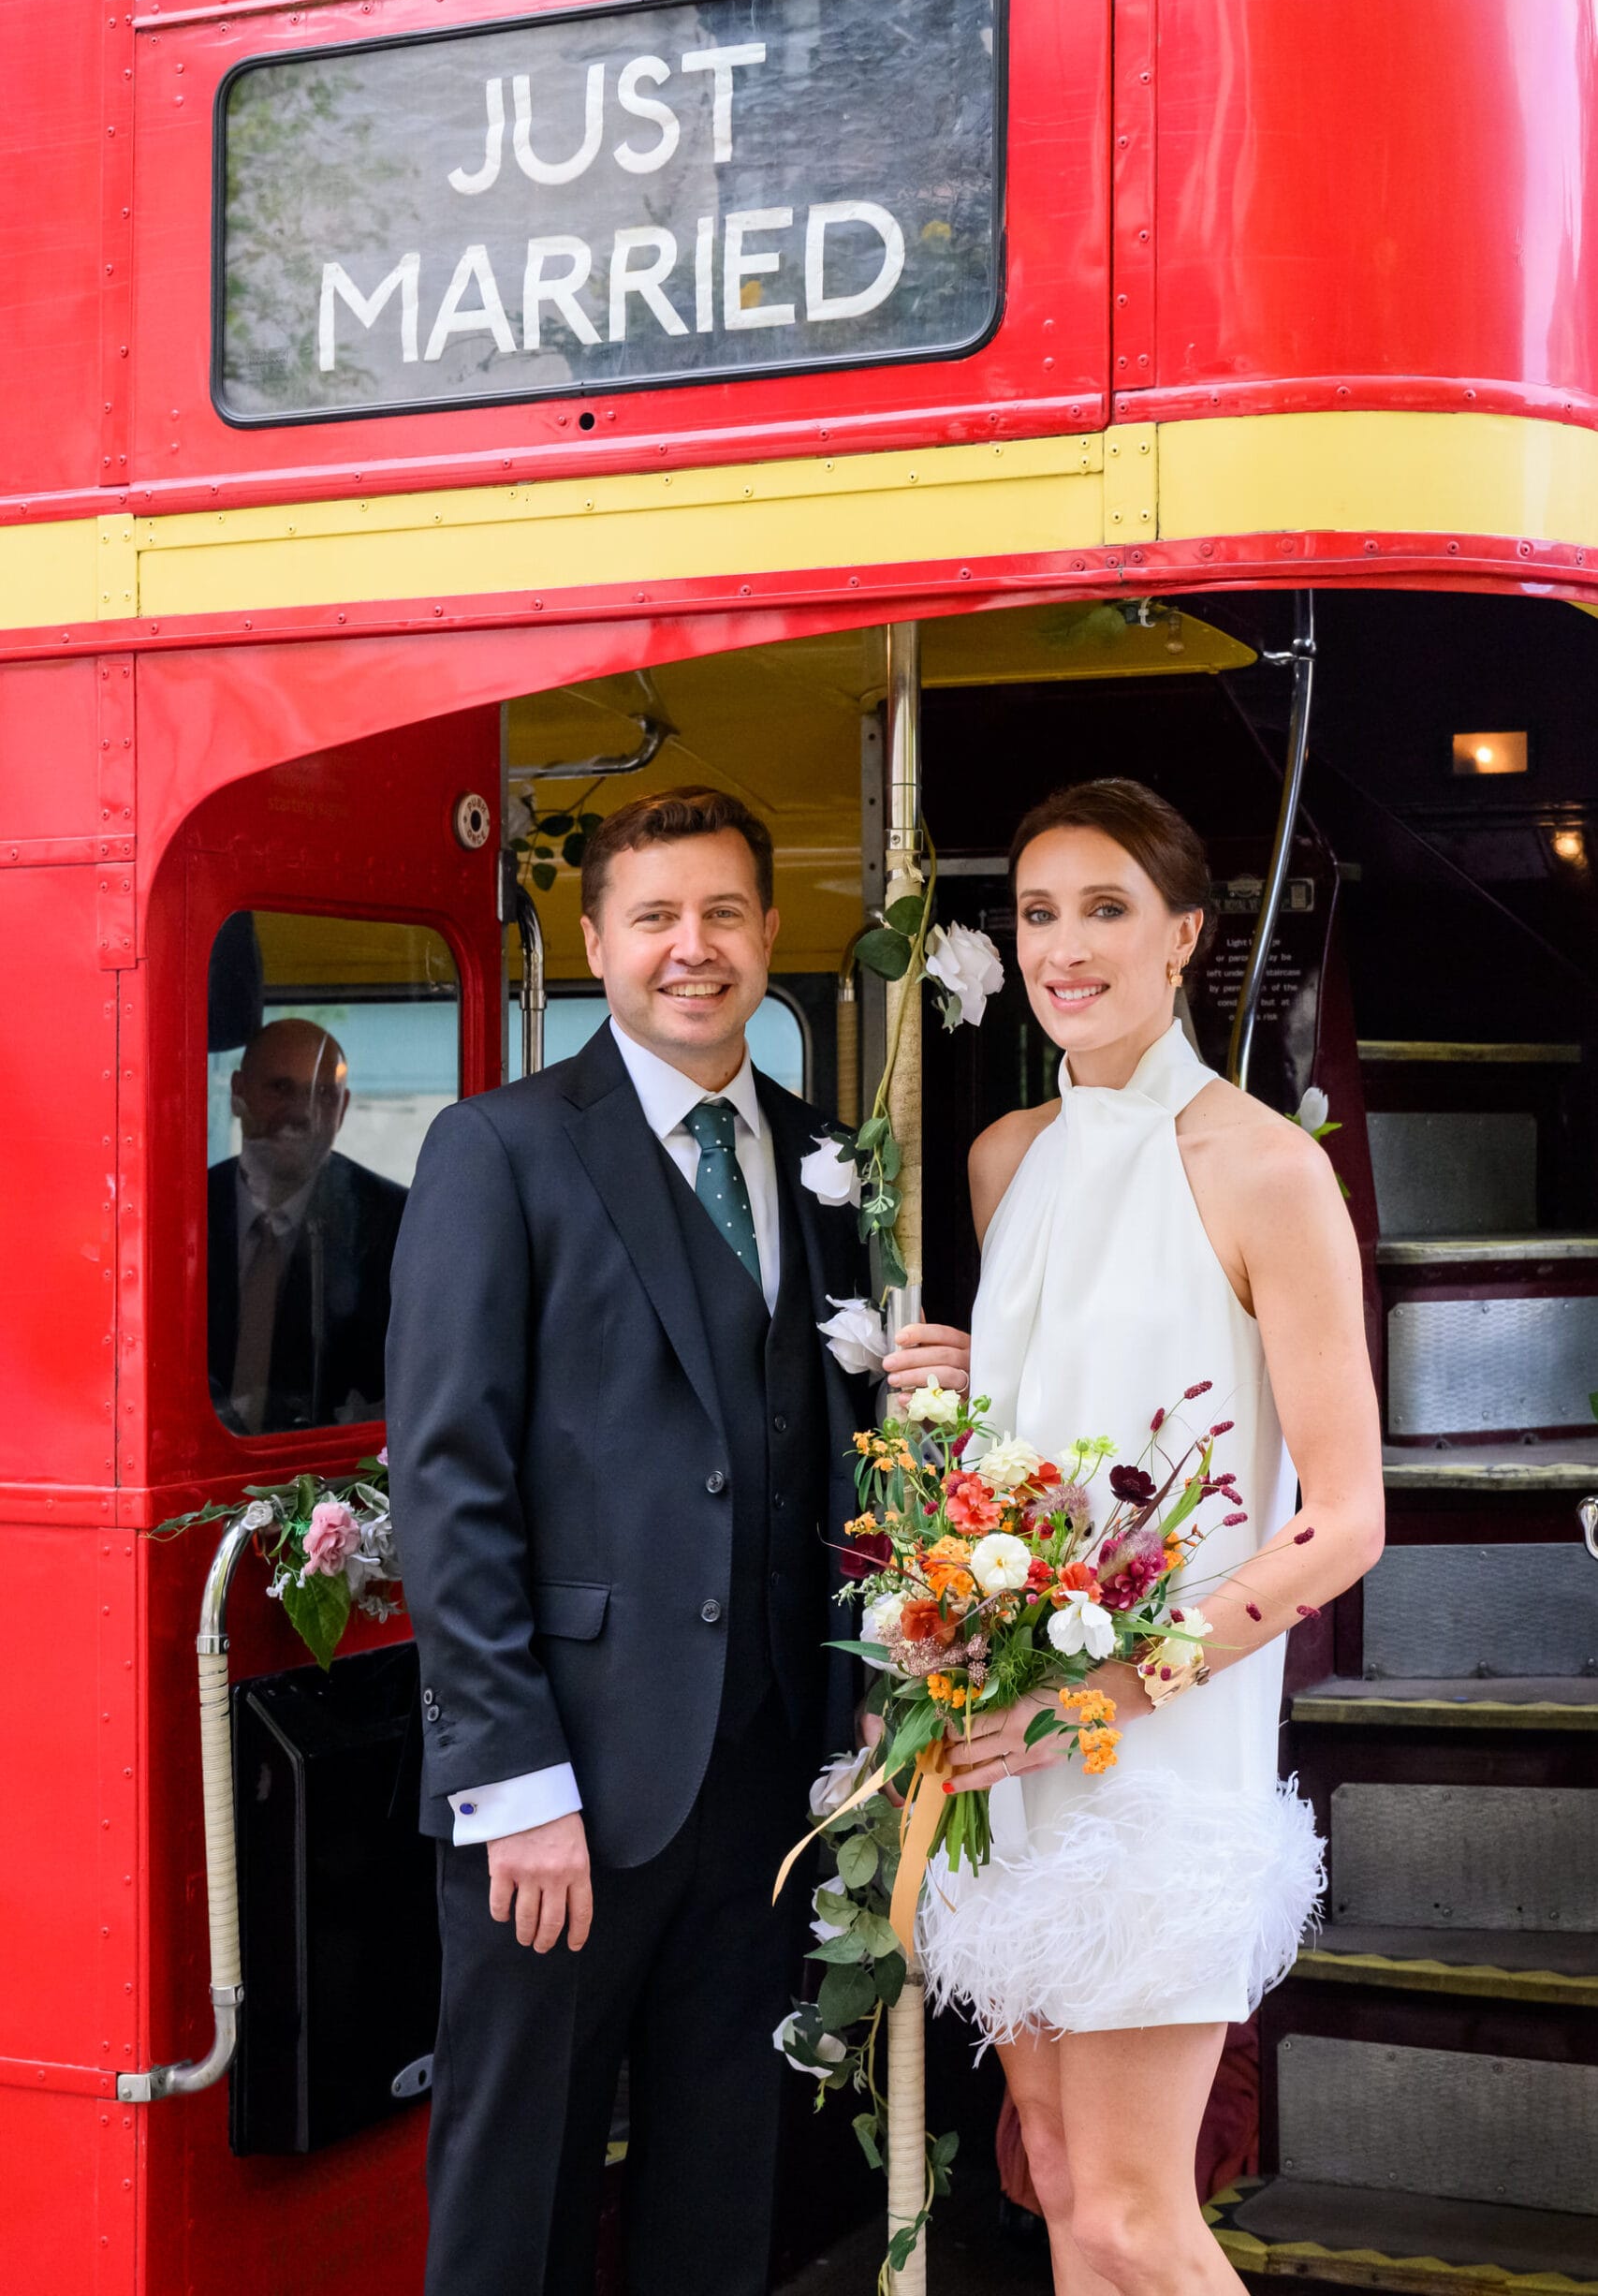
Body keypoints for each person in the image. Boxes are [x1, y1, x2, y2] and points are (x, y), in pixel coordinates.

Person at [384, 787, 970, 2296]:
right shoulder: (495, 1149)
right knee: (517, 2187)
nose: (690, 950)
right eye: (654, 918)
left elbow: (833, 1453)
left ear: (772, 933)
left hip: (772, 1786)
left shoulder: (837, 1162)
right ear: (594, 944)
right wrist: (508, 1784)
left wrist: (930, 1405)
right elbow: (446, 1480)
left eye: (721, 914)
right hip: (560, 1787)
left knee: (720, 2188)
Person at [917, 778, 1385, 2296]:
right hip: (1010, 1734)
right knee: (1056, 2181)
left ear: (1183, 935)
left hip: (1152, 1745)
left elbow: (1345, 1519)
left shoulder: (1265, 1167)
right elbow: (1067, 1431)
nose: (1063, 946)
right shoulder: (1004, 1159)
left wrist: (1112, 1693)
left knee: (1132, 2212)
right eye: (1036, 912)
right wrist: (956, 1390)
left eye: (1104, 908)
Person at [208, 1016, 406, 1435]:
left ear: (345, 1107)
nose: (302, 1113)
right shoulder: (182, 1210)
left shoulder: (395, 1223)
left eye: (323, 1094)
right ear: (238, 1092)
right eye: (281, 1088)